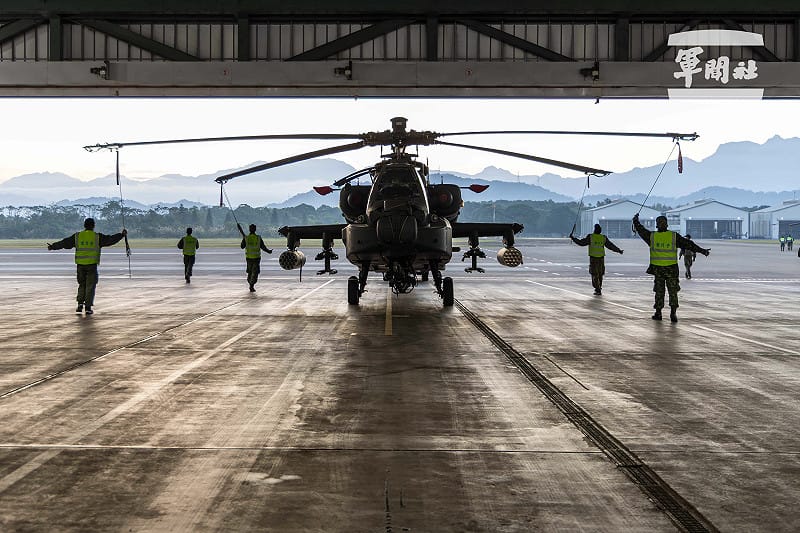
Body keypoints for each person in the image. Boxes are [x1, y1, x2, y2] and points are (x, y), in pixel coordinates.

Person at [632, 214, 709, 323]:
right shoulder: (674, 236)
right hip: (671, 270)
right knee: (673, 292)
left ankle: (658, 313)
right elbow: (689, 244)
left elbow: (641, 230)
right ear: (667, 224)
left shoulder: (652, 237)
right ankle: (673, 314)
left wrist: (635, 221)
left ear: (657, 225)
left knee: (659, 292)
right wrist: (702, 251)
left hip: (658, 270)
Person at [46, 217, 127, 315]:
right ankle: (88, 308)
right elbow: (110, 240)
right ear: (93, 226)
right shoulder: (97, 237)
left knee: (82, 285)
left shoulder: (77, 236)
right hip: (91, 266)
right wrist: (121, 235)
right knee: (90, 286)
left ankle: (80, 304)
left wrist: (53, 246)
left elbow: (64, 243)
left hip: (80, 265)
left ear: (84, 225)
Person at [569, 223, 623, 295]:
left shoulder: (591, 237)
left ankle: (597, 289)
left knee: (594, 274)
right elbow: (611, 246)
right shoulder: (603, 237)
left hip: (593, 259)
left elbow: (581, 243)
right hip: (601, 258)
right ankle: (599, 287)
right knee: (600, 274)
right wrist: (619, 250)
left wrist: (573, 238)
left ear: (594, 230)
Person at [238, 223, 272, 292]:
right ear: (255, 229)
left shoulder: (246, 238)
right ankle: (251, 285)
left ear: (249, 229)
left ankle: (250, 284)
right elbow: (263, 247)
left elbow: (242, 247)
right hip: (256, 258)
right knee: (255, 273)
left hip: (249, 258)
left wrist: (244, 239)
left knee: (250, 272)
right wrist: (268, 251)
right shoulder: (258, 238)